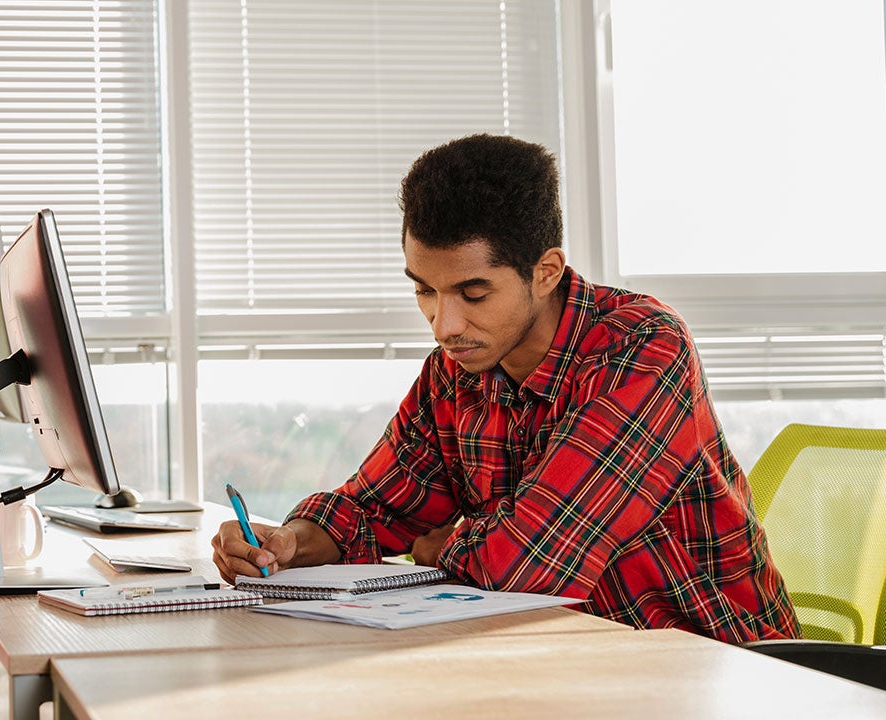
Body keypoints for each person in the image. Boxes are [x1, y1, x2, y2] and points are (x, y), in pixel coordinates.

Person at [212, 133, 800, 643]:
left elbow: (532, 567)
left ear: (545, 272)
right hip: (562, 657)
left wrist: (442, 548)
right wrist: (286, 543)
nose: (445, 326)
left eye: (472, 293)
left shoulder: (643, 349)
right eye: (424, 290)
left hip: (717, 666)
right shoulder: (455, 372)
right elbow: (368, 513)